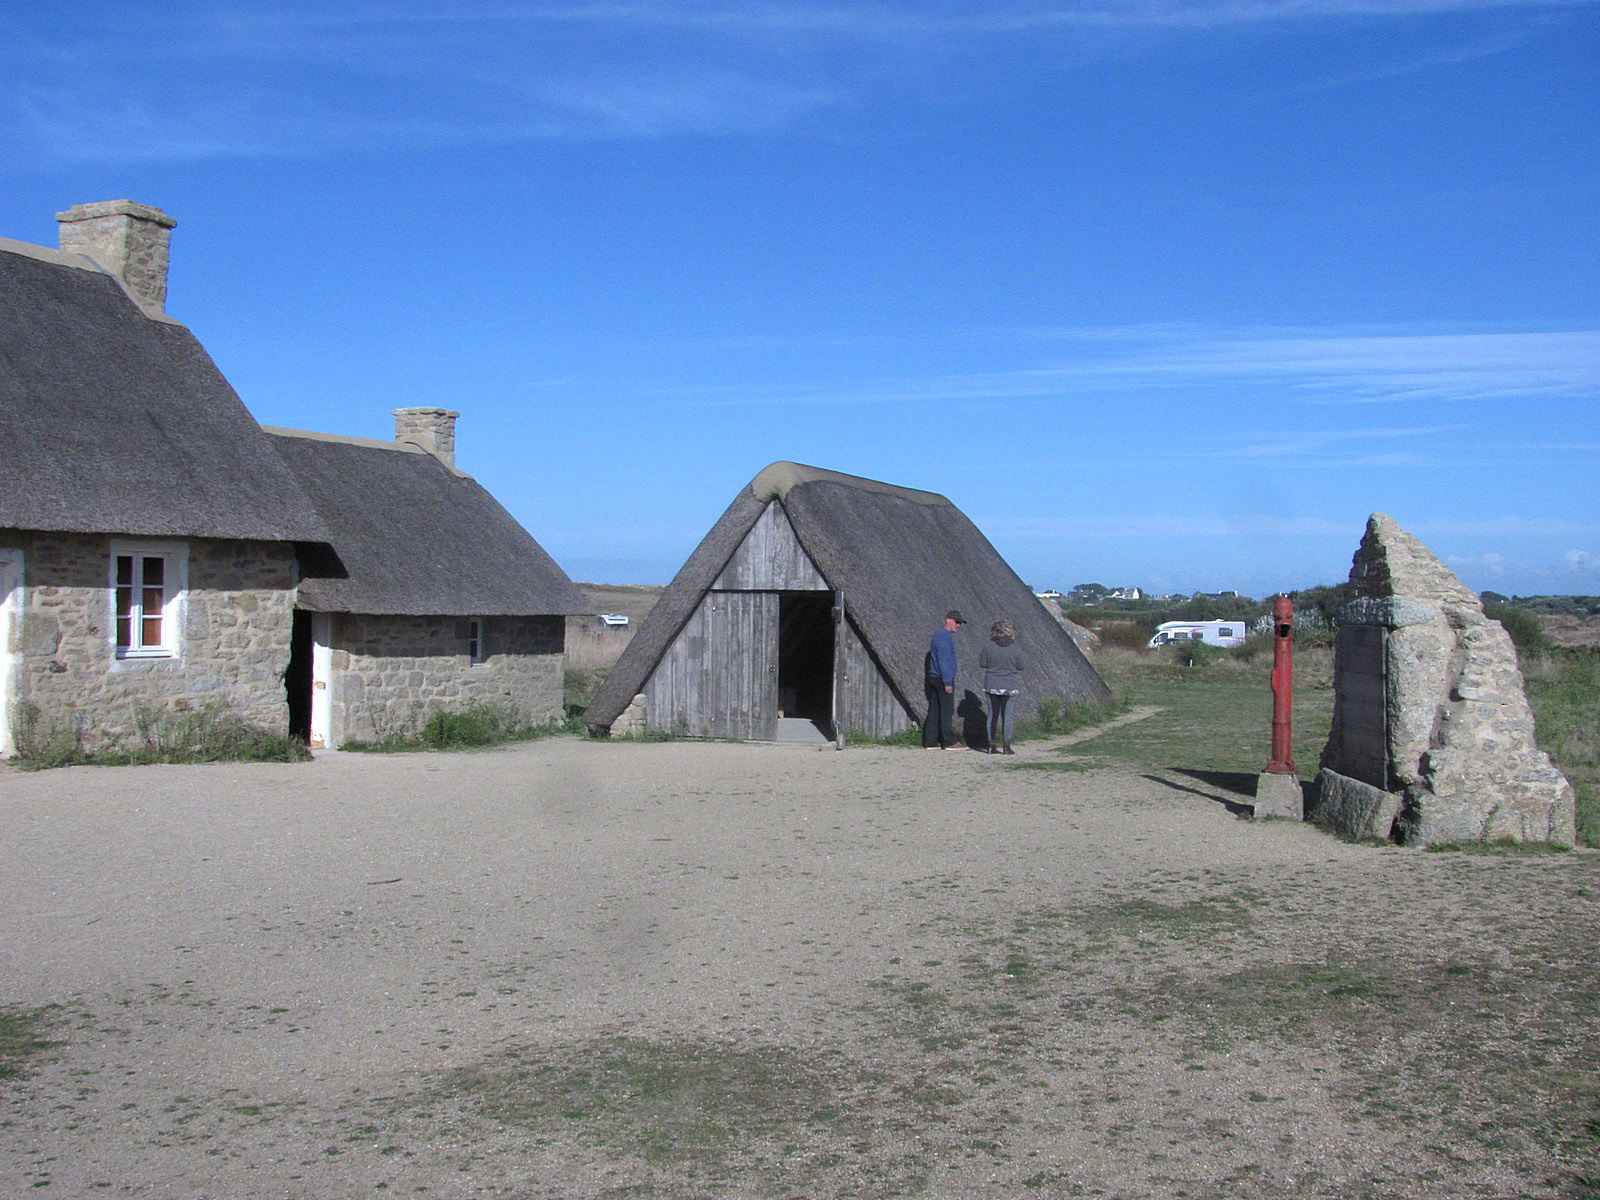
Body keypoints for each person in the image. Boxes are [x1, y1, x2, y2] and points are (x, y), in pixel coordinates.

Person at [979, 617, 1025, 755]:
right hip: (1009, 685)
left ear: (994, 631)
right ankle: (1006, 746)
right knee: (1007, 716)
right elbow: (1021, 666)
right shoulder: (1016, 649)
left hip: (991, 683)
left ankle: (991, 745)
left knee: (992, 715)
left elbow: (982, 664)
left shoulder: (988, 647)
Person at [923, 610, 965, 749]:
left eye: (960, 623)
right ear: (948, 620)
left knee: (934, 710)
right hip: (942, 678)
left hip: (934, 677)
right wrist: (947, 682)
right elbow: (944, 661)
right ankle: (949, 741)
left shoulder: (938, 636)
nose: (958, 625)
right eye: (957, 622)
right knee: (946, 711)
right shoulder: (944, 638)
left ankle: (930, 741)